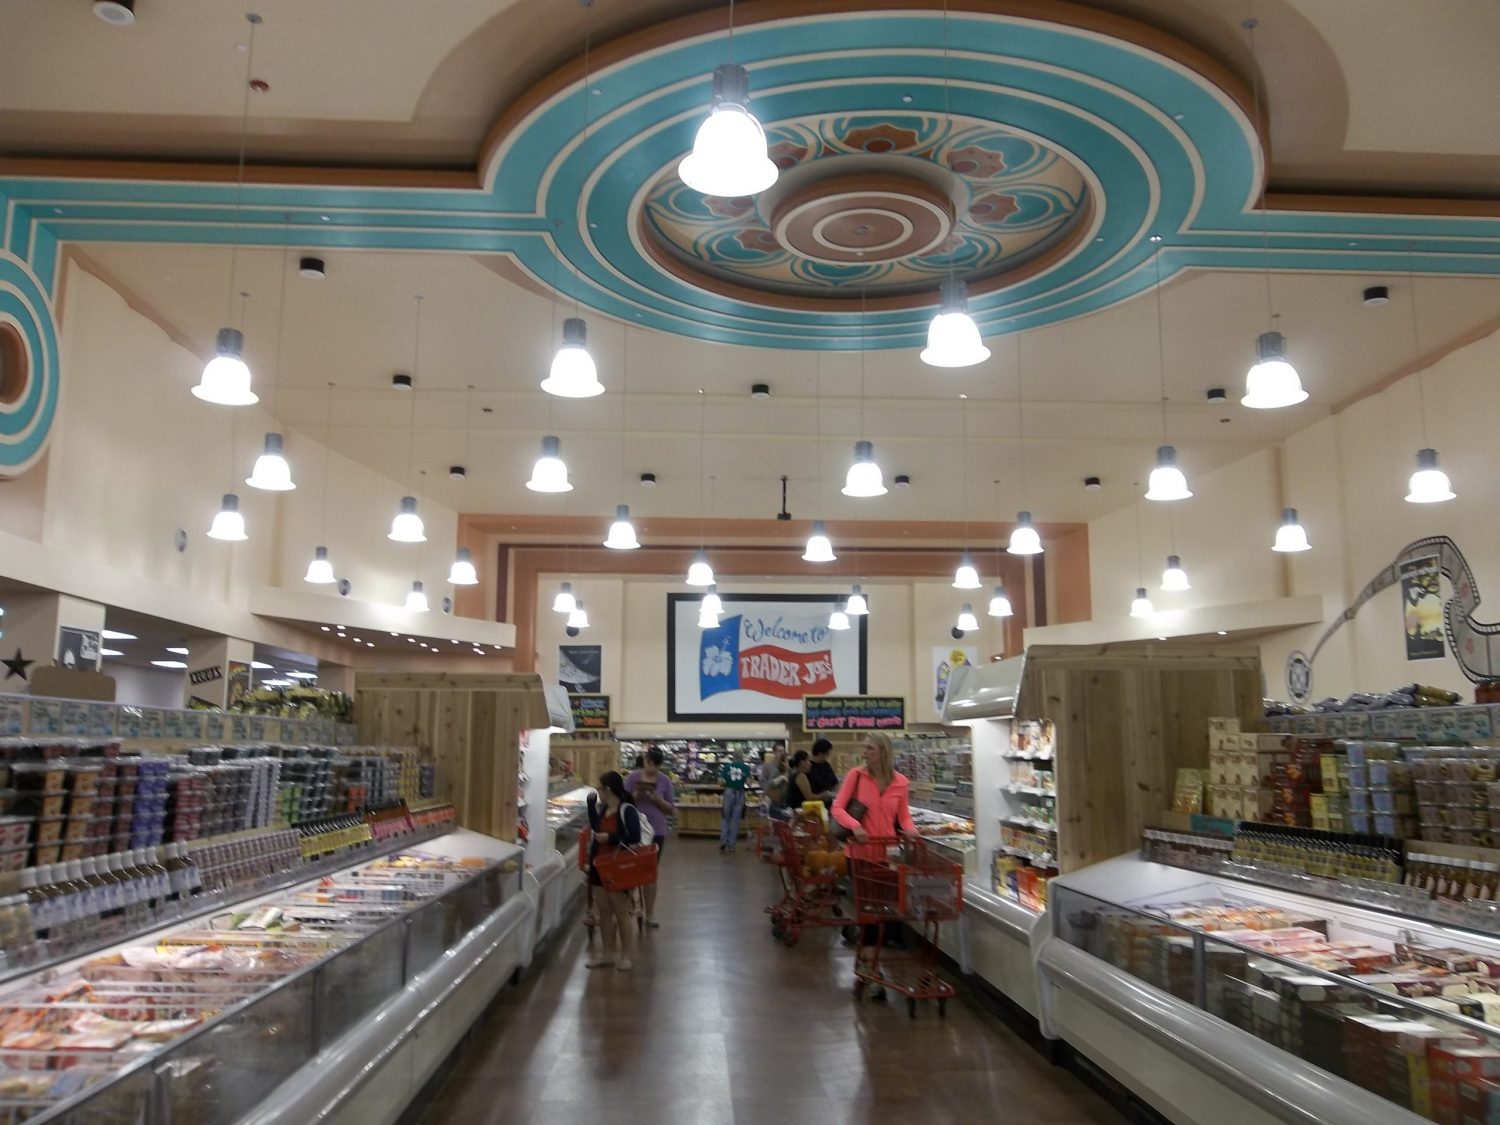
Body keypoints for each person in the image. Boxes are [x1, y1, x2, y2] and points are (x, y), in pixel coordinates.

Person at [831, 732, 916, 1001]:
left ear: (882, 751)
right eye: (864, 748)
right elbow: (837, 808)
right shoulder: (856, 776)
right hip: (859, 855)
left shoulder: (900, 783)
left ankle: (869, 962)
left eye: (869, 748)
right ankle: (872, 969)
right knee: (869, 913)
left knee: (883, 913)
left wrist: (912, 832)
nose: (864, 752)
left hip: (887, 856)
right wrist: (855, 826)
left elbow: (903, 816)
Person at [585, 771, 643, 972]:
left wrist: (610, 838)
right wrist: (591, 805)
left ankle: (626, 956)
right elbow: (596, 827)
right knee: (604, 911)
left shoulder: (627, 810)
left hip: (619, 866)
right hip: (599, 865)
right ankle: (608, 954)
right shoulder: (603, 809)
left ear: (608, 789)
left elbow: (634, 836)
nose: (598, 791)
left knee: (621, 912)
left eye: (599, 788)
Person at [625, 749, 675, 928]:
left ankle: (650, 914)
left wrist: (658, 799)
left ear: (659, 765)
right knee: (629, 869)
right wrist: (636, 795)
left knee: (650, 872)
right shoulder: (632, 778)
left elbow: (670, 809)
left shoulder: (665, 781)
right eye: (649, 763)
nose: (651, 768)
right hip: (633, 829)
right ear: (644, 761)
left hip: (656, 831)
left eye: (655, 765)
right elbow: (623, 803)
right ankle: (627, 909)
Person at [718, 748, 752, 853]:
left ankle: (723, 840)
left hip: (729, 792)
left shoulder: (726, 767)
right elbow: (749, 783)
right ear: (742, 756)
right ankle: (732, 844)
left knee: (725, 818)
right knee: (735, 820)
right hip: (740, 793)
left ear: (733, 756)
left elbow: (720, 782)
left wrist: (726, 783)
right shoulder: (746, 768)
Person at [807, 738, 840, 805]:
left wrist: (835, 794)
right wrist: (822, 795)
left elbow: (835, 783)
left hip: (828, 804)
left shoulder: (826, 765)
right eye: (827, 754)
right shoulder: (808, 767)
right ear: (820, 753)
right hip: (814, 804)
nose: (828, 756)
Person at [758, 747, 787, 818]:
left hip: (786, 800)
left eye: (783, 751)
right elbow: (763, 783)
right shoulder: (767, 766)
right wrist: (768, 792)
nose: (782, 753)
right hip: (773, 800)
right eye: (779, 751)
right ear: (774, 752)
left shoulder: (787, 765)